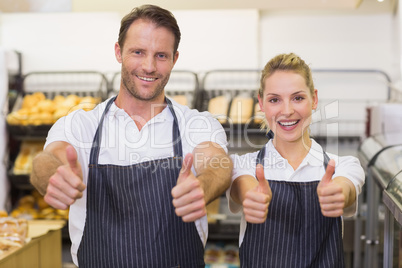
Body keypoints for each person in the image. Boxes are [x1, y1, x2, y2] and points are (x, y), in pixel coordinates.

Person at [30, 5, 232, 267]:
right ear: (118, 52)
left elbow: (219, 162)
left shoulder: (196, 123)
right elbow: (47, 160)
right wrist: (53, 177)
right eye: (138, 52)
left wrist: (203, 187)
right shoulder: (82, 124)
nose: (149, 66)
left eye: (161, 55)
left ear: (174, 59)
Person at [227, 53, 365, 267]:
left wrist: (338, 193)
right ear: (261, 103)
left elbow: (345, 186)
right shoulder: (243, 165)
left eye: (298, 98)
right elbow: (241, 184)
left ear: (314, 99)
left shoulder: (343, 167)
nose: (287, 110)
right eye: (274, 100)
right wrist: (249, 195)